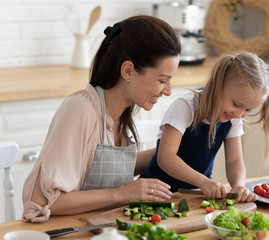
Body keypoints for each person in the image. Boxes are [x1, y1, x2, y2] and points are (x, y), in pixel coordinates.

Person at [22, 15, 181, 223]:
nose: (168, 91)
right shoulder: (80, 110)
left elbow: (101, 172)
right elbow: (46, 202)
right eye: (162, 80)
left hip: (101, 228)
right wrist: (123, 193)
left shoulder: (120, 113)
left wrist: (170, 150)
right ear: (128, 71)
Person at [140, 52, 269, 203]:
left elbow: (235, 162)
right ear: (218, 85)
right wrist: (203, 182)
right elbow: (166, 157)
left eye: (247, 110)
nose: (239, 114)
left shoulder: (232, 118)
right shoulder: (185, 107)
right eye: (237, 105)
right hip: (155, 195)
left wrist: (238, 186)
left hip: (194, 196)